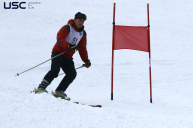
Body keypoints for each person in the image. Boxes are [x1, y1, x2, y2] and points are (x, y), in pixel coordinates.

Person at [34, 12, 91, 100]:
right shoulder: (67, 27)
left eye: (83, 21)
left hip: (68, 56)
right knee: (55, 70)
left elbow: (82, 47)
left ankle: (59, 91)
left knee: (72, 74)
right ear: (75, 20)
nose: (81, 22)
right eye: (80, 20)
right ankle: (41, 88)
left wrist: (86, 60)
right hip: (58, 52)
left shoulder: (83, 33)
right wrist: (67, 45)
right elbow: (59, 37)